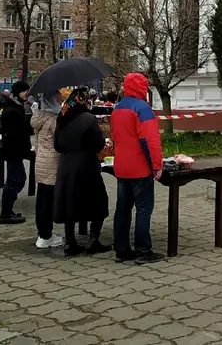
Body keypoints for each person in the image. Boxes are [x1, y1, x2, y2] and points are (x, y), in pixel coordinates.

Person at [111, 72, 164, 264]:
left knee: (123, 209)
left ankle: (122, 250)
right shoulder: (143, 109)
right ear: (142, 87)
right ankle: (143, 251)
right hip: (139, 167)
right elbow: (150, 141)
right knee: (143, 209)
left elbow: (116, 137)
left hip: (121, 166)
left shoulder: (117, 109)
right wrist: (157, 164)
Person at [53, 88, 110, 256]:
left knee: (69, 201)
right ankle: (93, 241)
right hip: (86, 165)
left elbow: (56, 145)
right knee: (98, 201)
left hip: (65, 166)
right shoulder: (88, 118)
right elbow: (98, 144)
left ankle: (70, 242)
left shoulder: (62, 118)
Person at [31, 91, 65, 250]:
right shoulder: (54, 118)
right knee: (48, 200)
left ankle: (42, 233)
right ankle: (46, 236)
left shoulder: (40, 117)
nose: (61, 99)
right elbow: (60, 142)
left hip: (41, 162)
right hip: (52, 163)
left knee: (42, 199)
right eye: (58, 96)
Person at [0, 81, 33, 225]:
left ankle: (8, 211)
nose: (26, 93)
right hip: (14, 149)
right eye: (24, 91)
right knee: (15, 179)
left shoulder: (15, 107)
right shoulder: (13, 109)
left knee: (17, 178)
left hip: (14, 149)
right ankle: (6, 213)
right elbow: (16, 131)